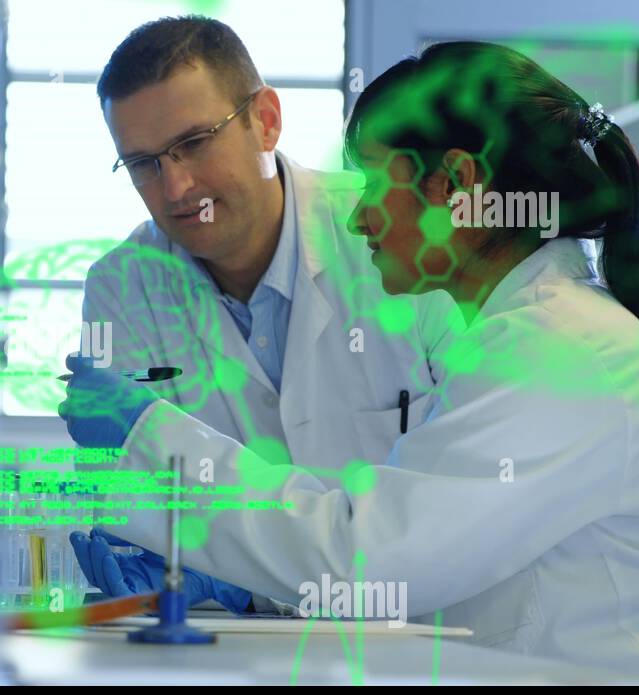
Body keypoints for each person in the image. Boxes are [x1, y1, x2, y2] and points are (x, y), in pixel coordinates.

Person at [69, 40, 639, 680]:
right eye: (145, 163)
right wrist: (221, 572)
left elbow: (364, 555)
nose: (359, 216)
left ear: (457, 184)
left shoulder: (556, 349)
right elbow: (410, 539)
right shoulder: (537, 331)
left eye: (376, 184)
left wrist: (150, 438)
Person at [58, 16, 460, 615]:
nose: (175, 187)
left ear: (266, 121)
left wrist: (243, 571)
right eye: (143, 163)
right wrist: (175, 565)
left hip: (425, 640)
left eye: (192, 144)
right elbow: (131, 504)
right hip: (234, 651)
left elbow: (456, 507)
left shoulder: (395, 240)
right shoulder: (122, 286)